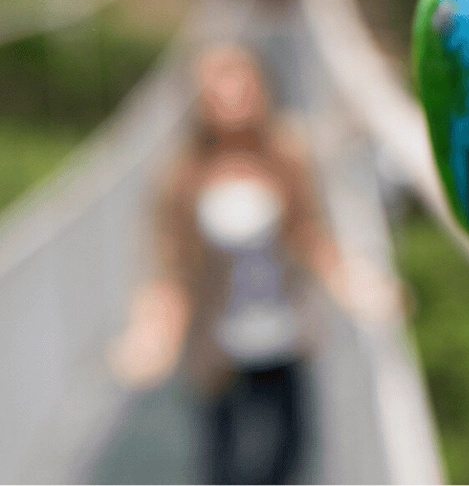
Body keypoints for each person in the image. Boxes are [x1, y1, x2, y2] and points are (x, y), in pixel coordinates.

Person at [108, 45, 399, 484]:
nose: (232, 93)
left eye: (240, 78)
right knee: (222, 466)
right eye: (219, 82)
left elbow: (311, 236)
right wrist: (153, 333)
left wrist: (356, 287)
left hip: (283, 339)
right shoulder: (181, 175)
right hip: (217, 347)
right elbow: (172, 267)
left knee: (288, 457)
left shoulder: (289, 156)